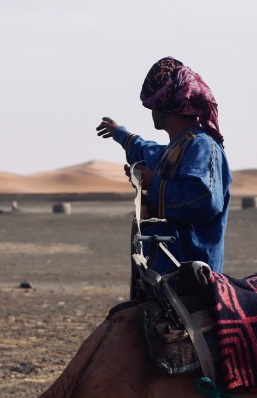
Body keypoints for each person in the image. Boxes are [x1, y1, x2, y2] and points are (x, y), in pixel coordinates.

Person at [96, 56, 232, 276]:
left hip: (192, 280)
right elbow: (150, 153)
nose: (151, 112)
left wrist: (154, 184)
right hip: (164, 277)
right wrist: (120, 135)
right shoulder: (179, 147)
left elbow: (204, 199)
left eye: (152, 105)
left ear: (165, 106)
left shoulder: (202, 146)